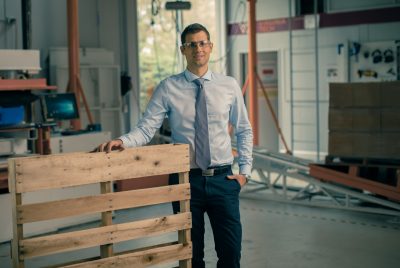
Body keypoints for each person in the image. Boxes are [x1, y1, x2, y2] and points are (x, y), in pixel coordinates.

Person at [95, 23, 253, 268]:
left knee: (231, 254)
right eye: (191, 44)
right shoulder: (168, 87)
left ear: (210, 47)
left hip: (223, 180)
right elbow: (147, 129)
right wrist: (122, 141)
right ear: (183, 50)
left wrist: (245, 173)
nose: (197, 49)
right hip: (185, 182)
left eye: (202, 43)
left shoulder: (229, 85)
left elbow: (244, 129)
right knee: (190, 254)